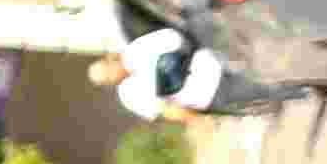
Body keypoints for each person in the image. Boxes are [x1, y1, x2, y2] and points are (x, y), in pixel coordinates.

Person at [99, 27, 232, 122]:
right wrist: (199, 120)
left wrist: (170, 60)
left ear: (109, 61)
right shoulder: (128, 96)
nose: (112, 75)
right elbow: (167, 110)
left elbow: (174, 37)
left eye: (108, 70)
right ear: (109, 84)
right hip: (209, 95)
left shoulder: (134, 50)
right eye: (107, 78)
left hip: (213, 62)